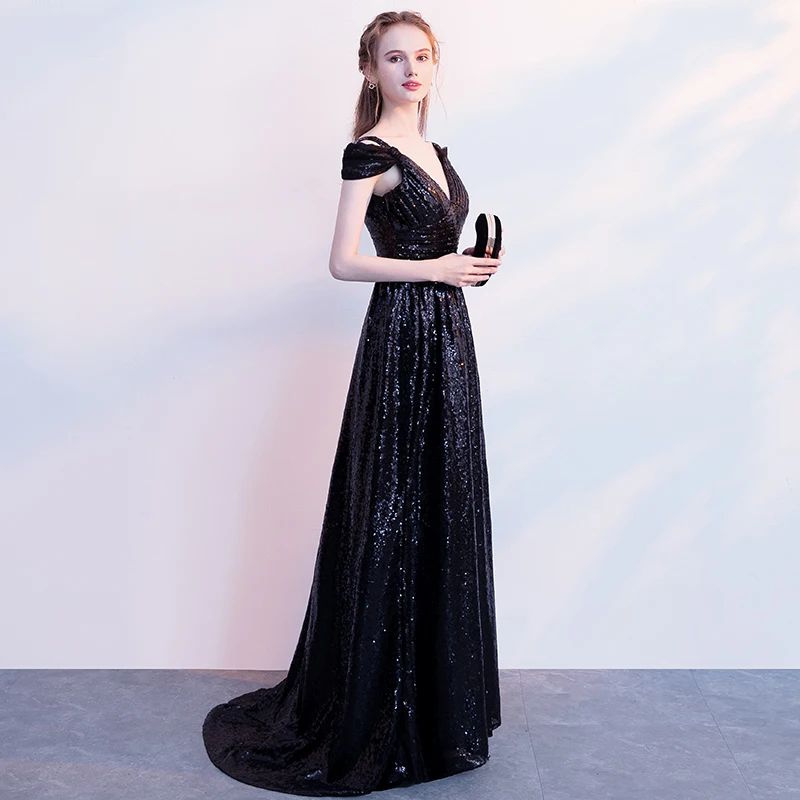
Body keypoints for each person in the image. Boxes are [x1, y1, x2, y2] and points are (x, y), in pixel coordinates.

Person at [202, 10, 504, 796]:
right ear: (370, 70)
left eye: (422, 56)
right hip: (401, 340)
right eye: (394, 58)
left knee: (440, 503)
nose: (411, 69)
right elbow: (342, 260)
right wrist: (437, 269)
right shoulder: (368, 152)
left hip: (447, 337)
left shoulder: (434, 153)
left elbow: (433, 254)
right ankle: (374, 705)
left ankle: (436, 711)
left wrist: (467, 267)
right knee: (391, 508)